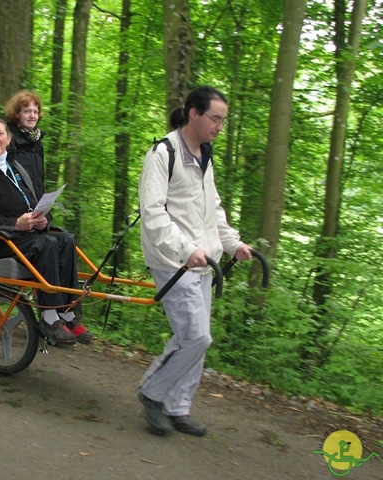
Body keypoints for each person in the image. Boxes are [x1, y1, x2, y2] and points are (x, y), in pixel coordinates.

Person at [137, 86, 253, 436]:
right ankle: (152, 393)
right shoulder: (162, 154)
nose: (220, 126)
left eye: (223, 121)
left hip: (206, 262)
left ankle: (177, 406)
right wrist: (186, 249)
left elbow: (211, 209)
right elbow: (152, 213)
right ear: (194, 114)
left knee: (196, 338)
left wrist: (232, 243)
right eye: (215, 119)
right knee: (196, 337)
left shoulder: (206, 155)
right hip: (174, 261)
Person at [0, 118, 92, 346]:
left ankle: (68, 312)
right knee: (47, 245)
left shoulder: (16, 167)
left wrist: (43, 221)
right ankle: (49, 317)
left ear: (8, 138)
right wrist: (14, 224)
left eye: (0, 133)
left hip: (23, 235)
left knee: (66, 240)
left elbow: (36, 202)